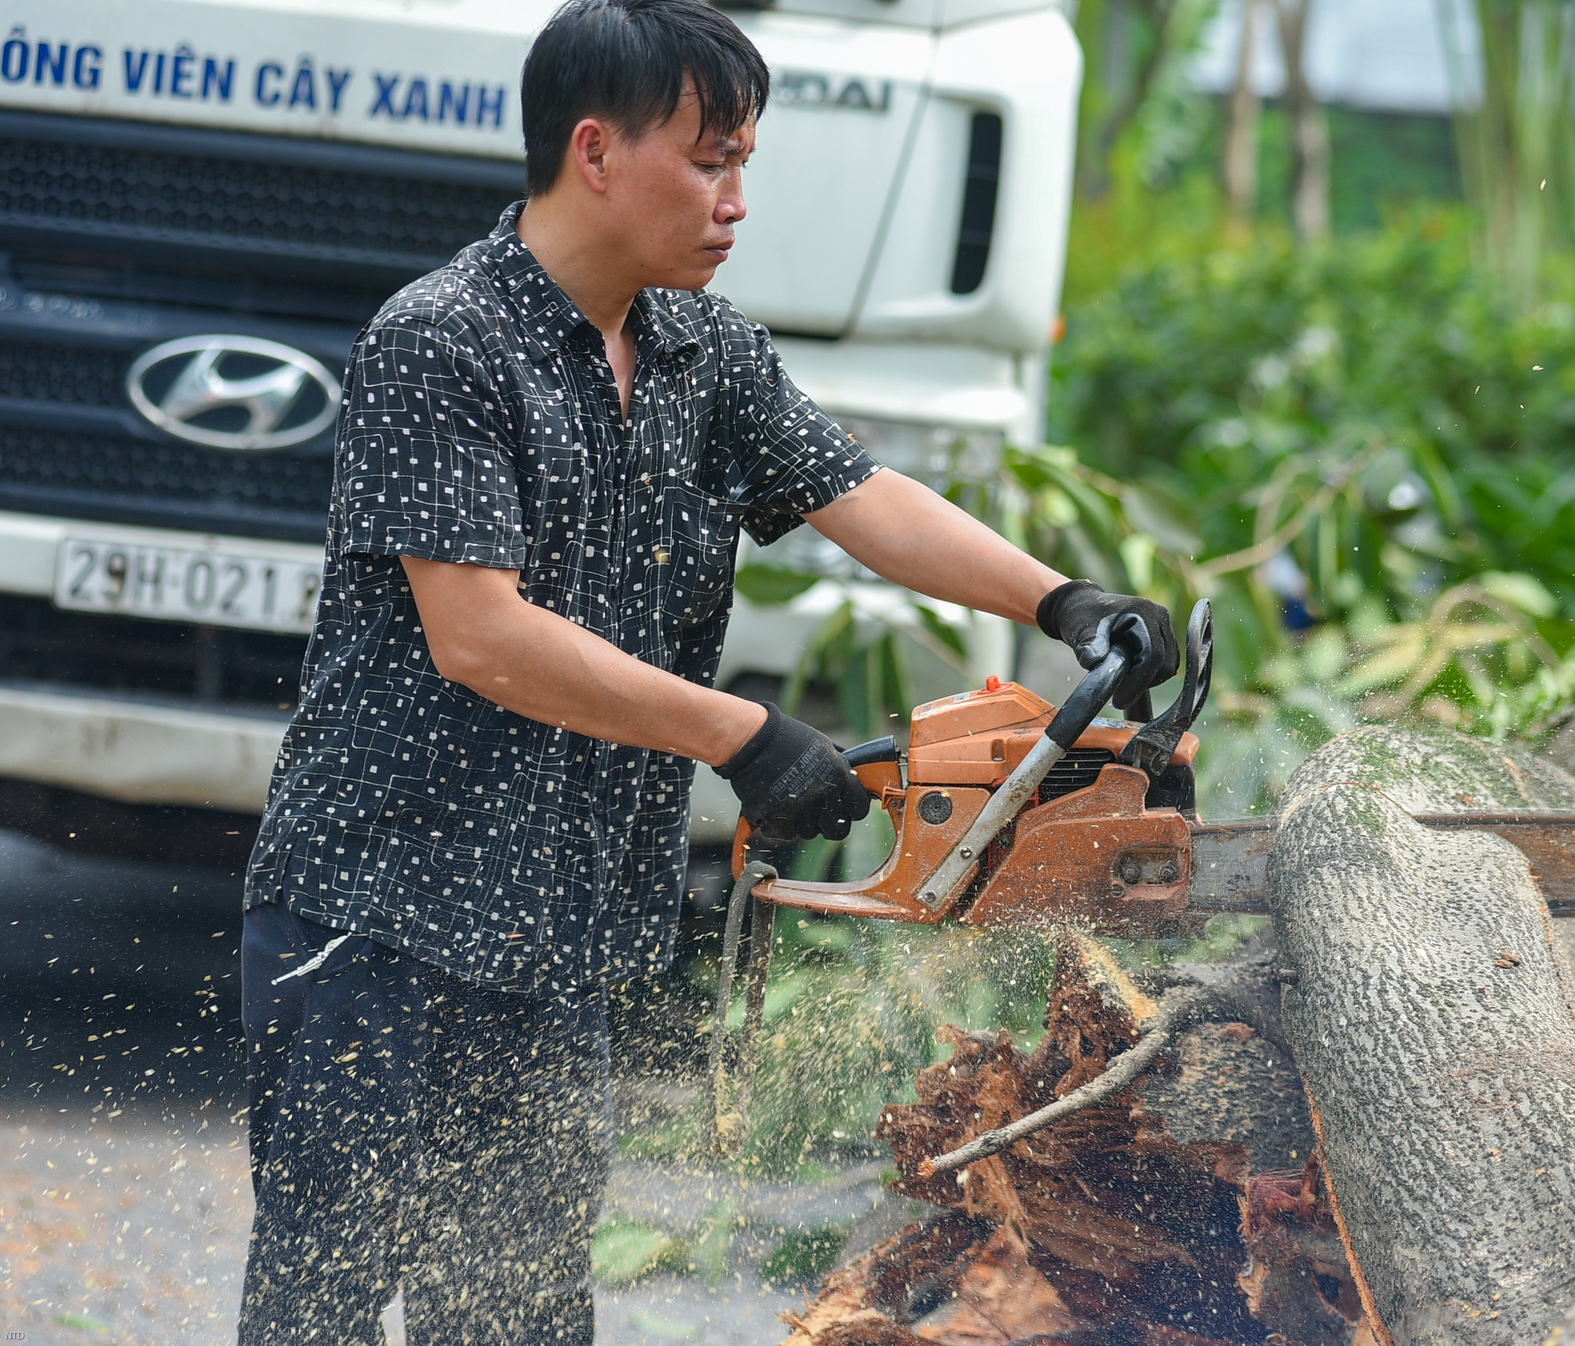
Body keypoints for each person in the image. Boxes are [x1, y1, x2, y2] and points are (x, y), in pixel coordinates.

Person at [233, 0, 1176, 1340]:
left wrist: (1062, 599)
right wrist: (737, 733)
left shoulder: (698, 347)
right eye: (712, 160)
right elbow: (480, 634)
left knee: (510, 1315)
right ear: (596, 153)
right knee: (319, 1310)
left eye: (747, 162)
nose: (739, 199)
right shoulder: (441, 341)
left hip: (552, 941)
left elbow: (859, 493)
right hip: (374, 919)